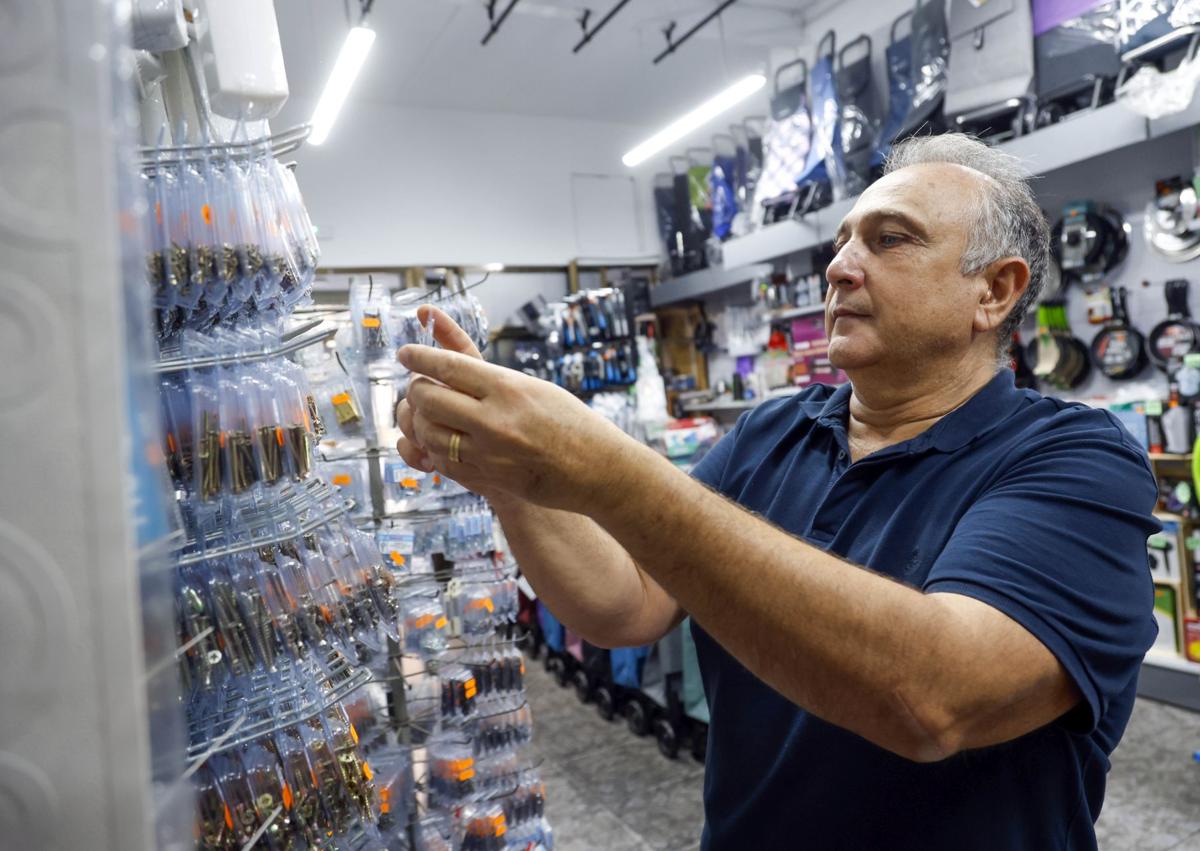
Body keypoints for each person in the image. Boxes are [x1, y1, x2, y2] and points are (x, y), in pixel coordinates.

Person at [394, 134, 1158, 850]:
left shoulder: (1075, 459)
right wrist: (509, 479)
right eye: (842, 243)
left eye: (890, 239)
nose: (840, 268)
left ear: (994, 290)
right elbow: (625, 605)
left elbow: (934, 697)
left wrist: (605, 467)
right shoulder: (772, 431)